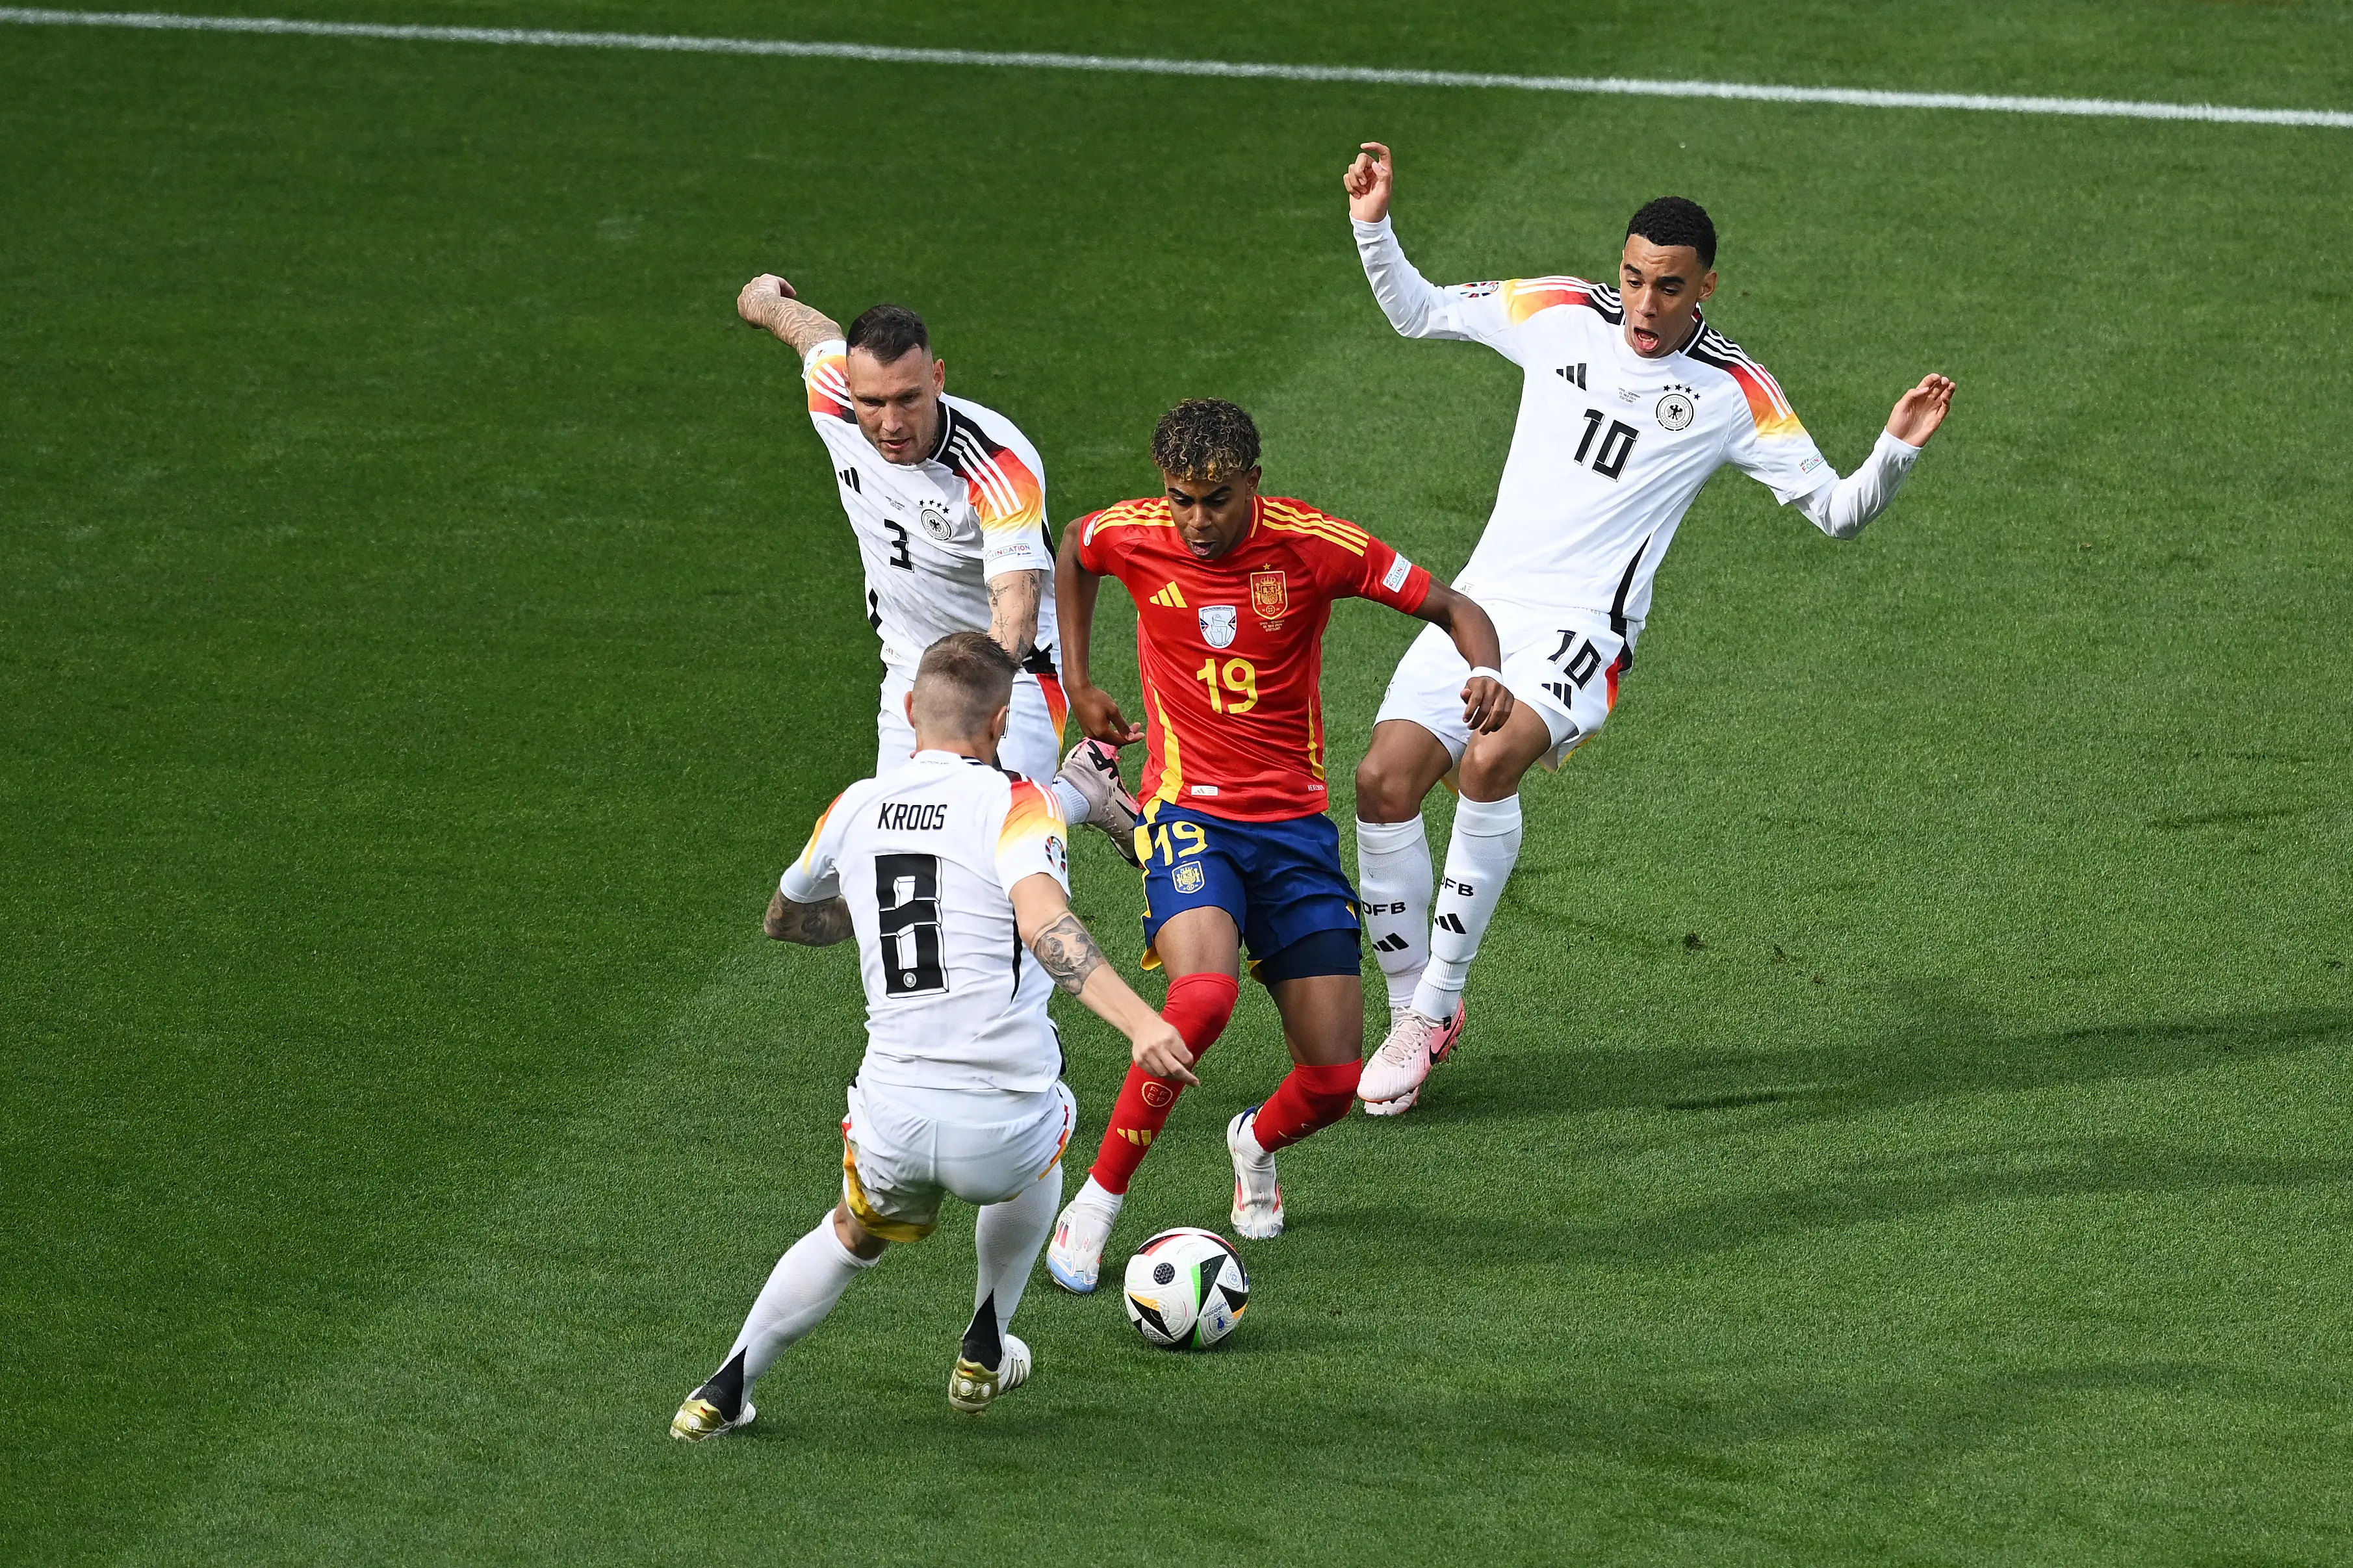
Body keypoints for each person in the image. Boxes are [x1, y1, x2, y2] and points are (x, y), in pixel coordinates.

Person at [1340, 143, 1957, 1113]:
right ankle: (1409, 1005)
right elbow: (1416, 310)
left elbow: (1835, 511)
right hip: (1482, 603)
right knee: (1380, 784)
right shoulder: (1555, 311)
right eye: (1632, 278)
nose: (1642, 304)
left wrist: (1893, 451)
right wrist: (1373, 224)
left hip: (1585, 627)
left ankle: (1434, 1010)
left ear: (1706, 286)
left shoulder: (1733, 391)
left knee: (1491, 762)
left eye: (1667, 288)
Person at [669, 633, 1190, 1437]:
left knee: (850, 1233)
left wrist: (874, 913)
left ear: (911, 711)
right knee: (1050, 1132)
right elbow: (1048, 925)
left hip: (893, 1123)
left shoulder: (853, 806)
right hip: (1004, 1129)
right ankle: (985, 1336)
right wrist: (1141, 1020)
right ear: (1002, 721)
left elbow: (785, 919)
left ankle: (723, 1389)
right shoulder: (1020, 803)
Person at [1042, 400, 1511, 1291]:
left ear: (1252, 483)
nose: (1195, 520)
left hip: (1294, 830)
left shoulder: (1315, 545)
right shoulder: (1136, 534)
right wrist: (1079, 680)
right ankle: (1095, 1204)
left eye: (1215, 499)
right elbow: (1075, 547)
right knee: (1204, 997)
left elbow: (1452, 606)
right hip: (1187, 814)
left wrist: (1485, 671)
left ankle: (1251, 1143)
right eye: (1180, 498)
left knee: (1334, 1081)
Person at [736, 274, 1140, 862]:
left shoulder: (996, 465)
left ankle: (1080, 790)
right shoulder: (833, 397)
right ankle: (1085, 789)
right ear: (848, 387)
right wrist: (762, 301)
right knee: (899, 857)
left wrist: (967, 720)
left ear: (938, 379)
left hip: (1014, 675)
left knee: (991, 847)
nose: (891, 424)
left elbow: (1016, 618)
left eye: (908, 399)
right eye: (871, 402)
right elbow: (813, 334)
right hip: (908, 665)